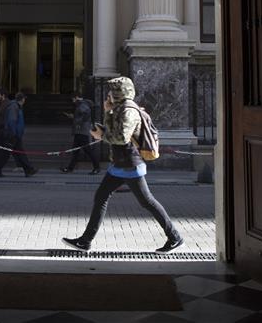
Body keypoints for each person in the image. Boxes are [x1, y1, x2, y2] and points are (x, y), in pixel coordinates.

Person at [62, 76, 184, 253]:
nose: (109, 94)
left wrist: (101, 136)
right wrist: (108, 112)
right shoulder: (120, 108)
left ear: (120, 92)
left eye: (112, 91)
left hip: (129, 164)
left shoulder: (129, 111)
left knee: (147, 202)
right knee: (102, 198)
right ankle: (85, 241)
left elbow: (121, 138)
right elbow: (113, 129)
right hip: (120, 163)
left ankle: (175, 237)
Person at [0, 92, 38, 177]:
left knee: (19, 152)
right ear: (22, 99)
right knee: (7, 153)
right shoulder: (14, 107)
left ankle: (28, 169)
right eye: (24, 99)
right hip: (12, 135)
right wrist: (13, 133)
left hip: (14, 134)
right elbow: (12, 121)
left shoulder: (16, 106)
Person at [60, 92, 100, 174]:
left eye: (73, 99)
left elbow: (84, 115)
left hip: (82, 131)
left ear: (77, 97)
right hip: (80, 131)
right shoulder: (82, 105)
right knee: (76, 151)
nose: (72, 101)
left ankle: (97, 167)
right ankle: (70, 168)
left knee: (87, 150)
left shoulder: (82, 105)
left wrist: (76, 120)